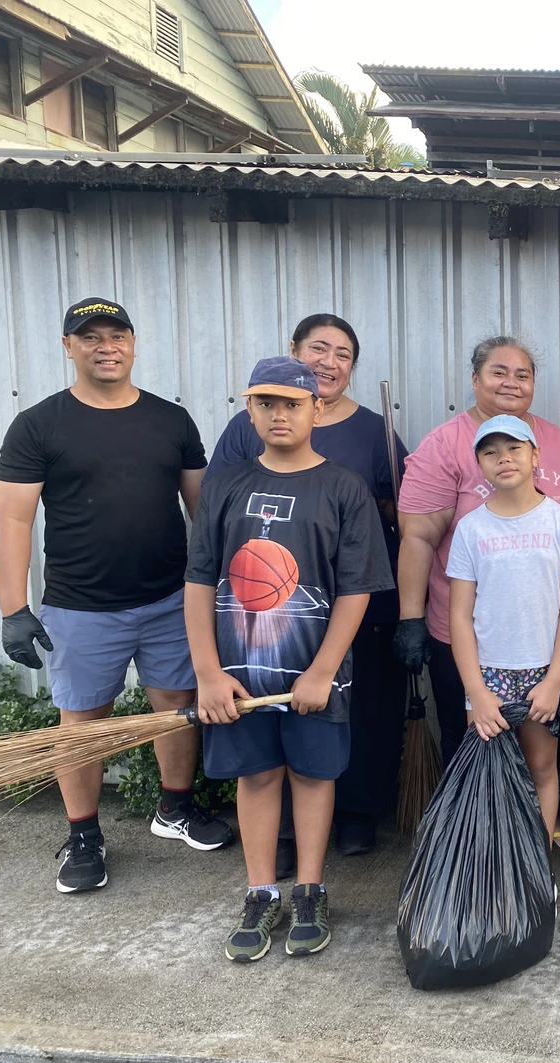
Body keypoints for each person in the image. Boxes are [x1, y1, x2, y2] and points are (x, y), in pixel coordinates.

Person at [0, 298, 232, 895]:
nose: (106, 346)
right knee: (82, 721)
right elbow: (13, 522)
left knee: (176, 704)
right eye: (90, 336)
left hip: (169, 600)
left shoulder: (170, 421)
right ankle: (83, 835)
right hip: (80, 606)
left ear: (132, 343)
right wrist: (13, 609)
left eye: (117, 334)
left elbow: (204, 511)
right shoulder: (39, 424)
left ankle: (174, 809)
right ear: (68, 346)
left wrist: (219, 589)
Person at [185, 357, 393, 962]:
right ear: (249, 410)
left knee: (312, 775)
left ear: (317, 410)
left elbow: (356, 589)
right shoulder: (225, 484)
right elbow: (199, 580)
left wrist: (324, 668)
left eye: (292, 404)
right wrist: (207, 671)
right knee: (256, 776)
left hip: (313, 675)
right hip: (239, 677)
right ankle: (259, 891)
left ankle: (309, 889)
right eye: (266, 404)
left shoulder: (344, 488)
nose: (279, 415)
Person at [206, 314, 406, 864]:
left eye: (344, 353)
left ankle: (355, 815)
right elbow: (213, 530)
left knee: (341, 712)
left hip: (346, 596)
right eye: (319, 348)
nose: (330, 361)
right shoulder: (245, 440)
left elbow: (399, 504)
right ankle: (281, 847)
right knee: (271, 734)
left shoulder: (372, 434)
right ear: (293, 351)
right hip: (256, 617)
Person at [394, 337, 560, 851]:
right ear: (475, 379)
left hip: (548, 645)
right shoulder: (446, 447)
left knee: (543, 756)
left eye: (522, 374)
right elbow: (418, 535)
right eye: (498, 372)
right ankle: (483, 852)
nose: (510, 382)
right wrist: (410, 616)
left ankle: (534, 853)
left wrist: (555, 677)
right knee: (478, 752)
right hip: (481, 649)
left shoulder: (556, 443)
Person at [446, 415, 560, 841]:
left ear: (535, 456)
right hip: (488, 673)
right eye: (490, 452)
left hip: (544, 673)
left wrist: (554, 681)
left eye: (513, 448)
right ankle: (495, 866)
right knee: (490, 778)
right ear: (479, 465)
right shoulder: (471, 529)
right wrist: (476, 690)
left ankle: (535, 869)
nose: (503, 459)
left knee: (542, 768)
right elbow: (460, 616)